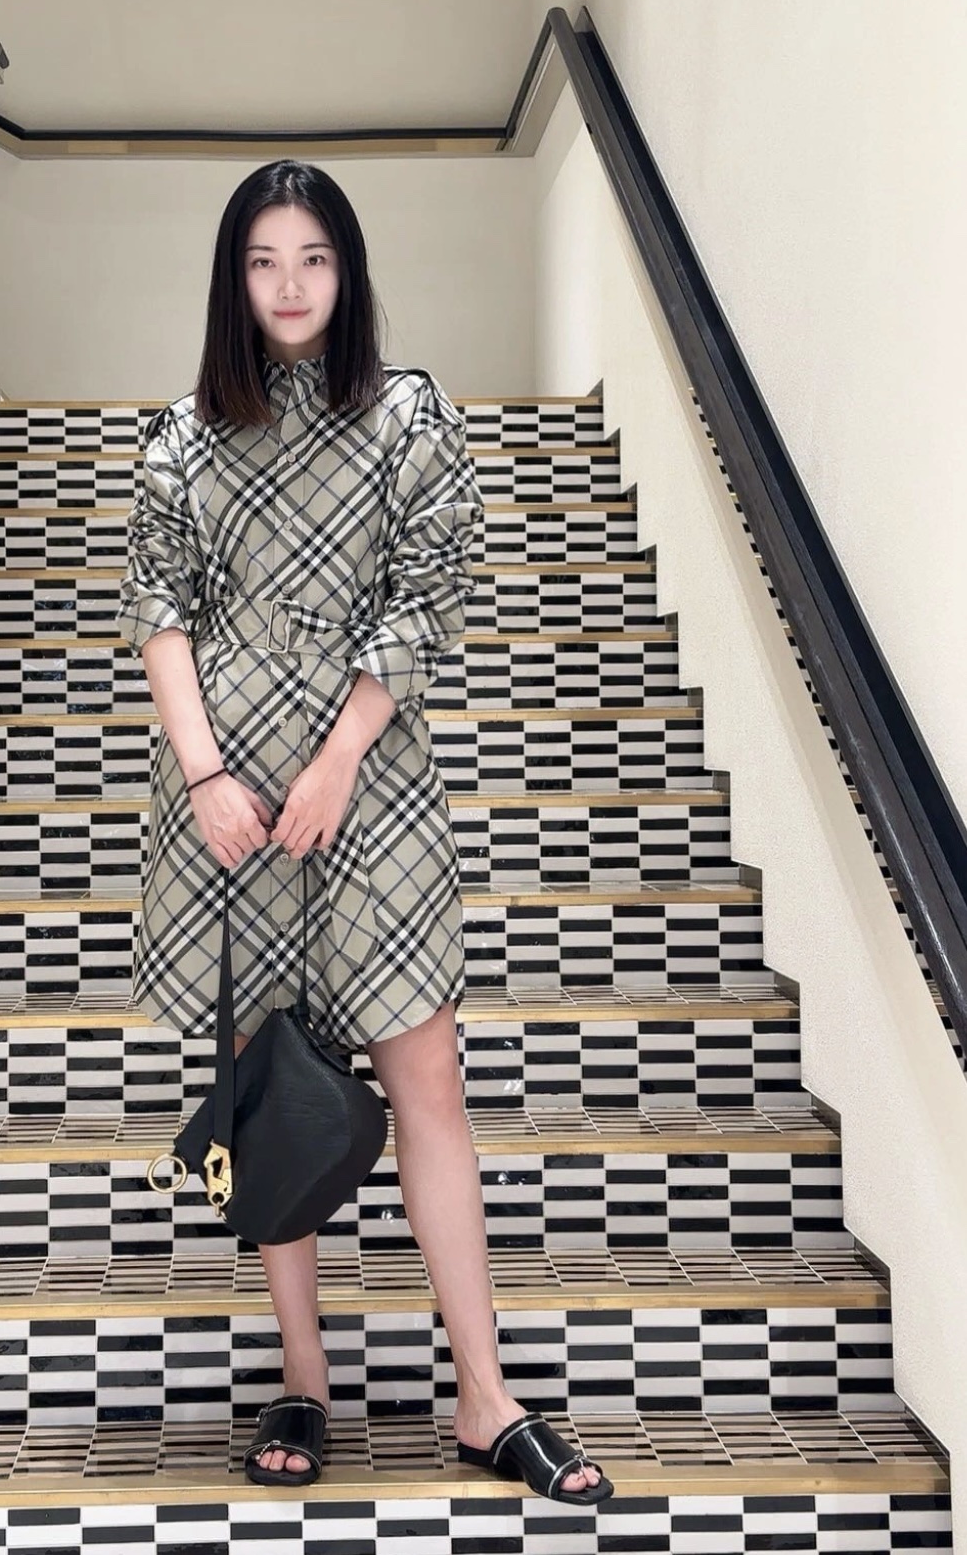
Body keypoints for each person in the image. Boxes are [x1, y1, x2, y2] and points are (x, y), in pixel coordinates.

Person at [117, 159, 613, 1507]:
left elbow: (426, 595)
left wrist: (338, 757)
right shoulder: (179, 439)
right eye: (263, 260)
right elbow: (160, 610)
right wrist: (204, 776)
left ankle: (485, 1395)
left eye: (313, 258)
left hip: (371, 782)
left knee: (426, 1086)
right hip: (225, 805)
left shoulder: (406, 415)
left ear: (348, 272)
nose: (289, 286)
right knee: (269, 1093)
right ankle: (304, 1378)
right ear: (232, 279)